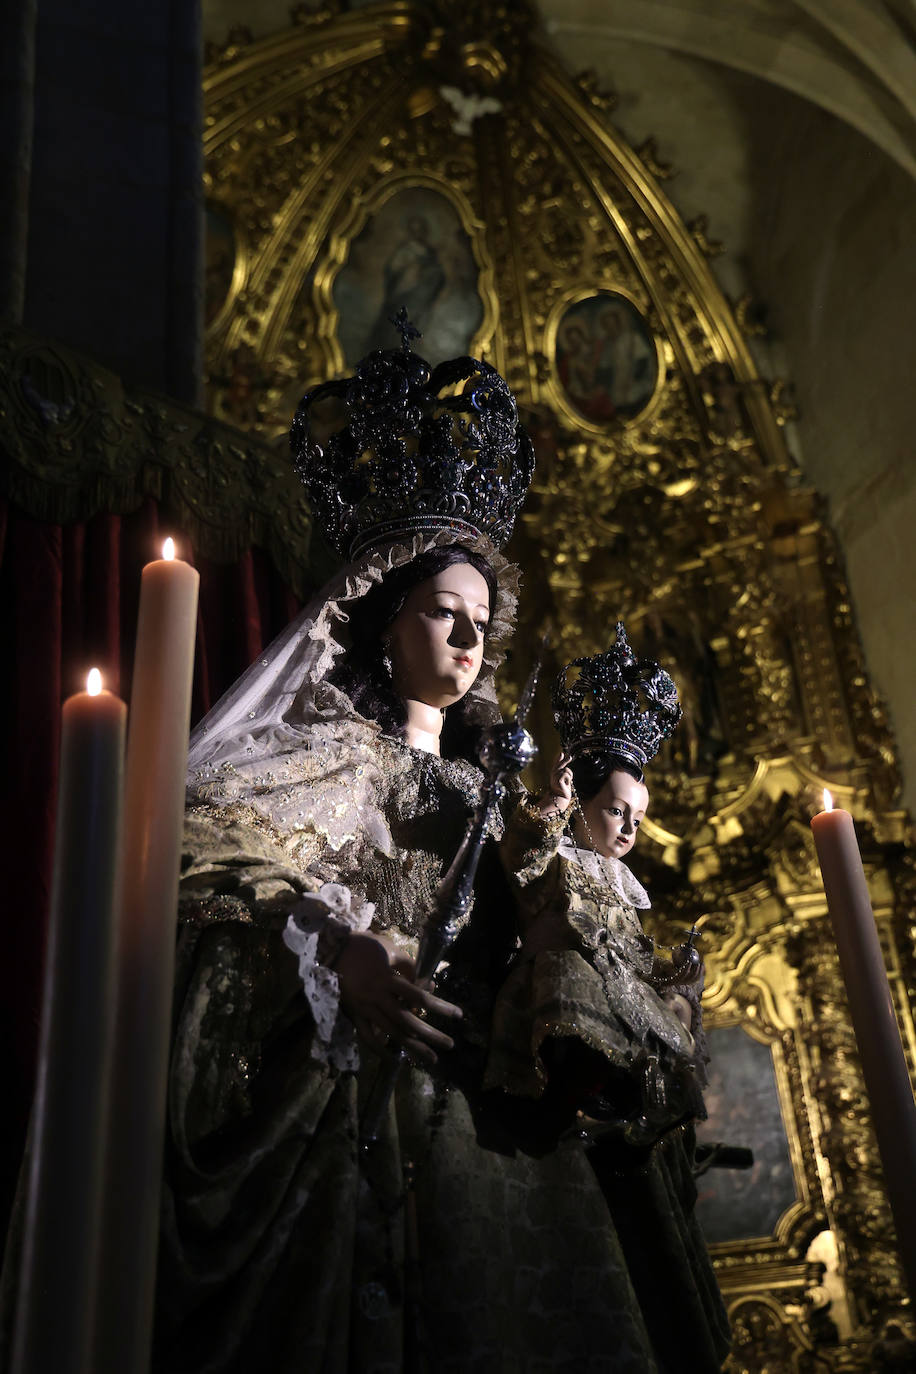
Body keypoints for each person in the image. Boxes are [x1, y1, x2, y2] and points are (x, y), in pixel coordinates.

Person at [153, 328, 675, 1372]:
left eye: (482, 620)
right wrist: (339, 947)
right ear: (386, 617)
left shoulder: (511, 796)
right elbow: (214, 861)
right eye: (443, 614)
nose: (470, 641)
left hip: (505, 1115)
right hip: (368, 1098)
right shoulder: (331, 757)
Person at [486, 624, 731, 1372]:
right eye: (618, 810)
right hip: (554, 998)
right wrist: (546, 809)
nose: (629, 828)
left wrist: (675, 989)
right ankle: (579, 1088)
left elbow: (634, 960)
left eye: (639, 817)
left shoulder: (625, 887)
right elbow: (519, 866)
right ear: (584, 797)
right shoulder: (555, 847)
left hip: (620, 1013)